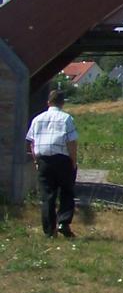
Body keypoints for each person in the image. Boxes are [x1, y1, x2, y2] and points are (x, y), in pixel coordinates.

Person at [25, 89, 78, 238]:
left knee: (48, 196)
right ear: (62, 103)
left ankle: (49, 230)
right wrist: (73, 161)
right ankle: (64, 222)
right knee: (67, 191)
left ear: (48, 102)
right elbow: (72, 142)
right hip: (62, 160)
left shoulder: (37, 119)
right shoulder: (66, 119)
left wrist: (36, 160)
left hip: (44, 160)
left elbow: (32, 143)